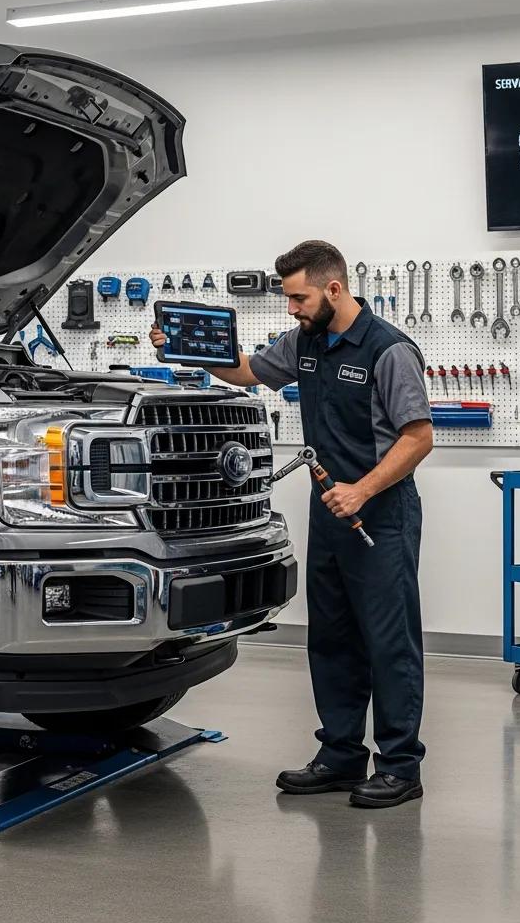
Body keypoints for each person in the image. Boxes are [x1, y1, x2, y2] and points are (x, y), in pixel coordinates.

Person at [150, 240, 432, 808]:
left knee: (388, 643)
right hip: (328, 511)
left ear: (334, 289)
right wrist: (183, 348)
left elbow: (418, 436)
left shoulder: (389, 350)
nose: (291, 308)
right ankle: (341, 754)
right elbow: (249, 371)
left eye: (299, 297)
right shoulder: (304, 342)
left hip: (380, 513)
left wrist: (363, 490)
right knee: (331, 638)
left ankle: (400, 766)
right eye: (288, 299)